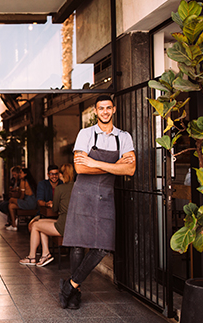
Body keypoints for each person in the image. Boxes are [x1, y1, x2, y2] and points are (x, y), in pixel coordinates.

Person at [60, 95, 136, 310]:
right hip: (83, 193)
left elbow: (130, 169)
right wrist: (114, 165)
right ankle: (76, 294)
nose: (105, 112)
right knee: (77, 245)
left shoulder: (124, 137)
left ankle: (71, 285)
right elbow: (80, 168)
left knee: (102, 247)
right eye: (101, 108)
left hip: (105, 196)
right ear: (95, 111)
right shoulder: (86, 134)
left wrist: (95, 162)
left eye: (108, 108)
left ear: (114, 110)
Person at [19, 163, 75, 267]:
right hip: (73, 223)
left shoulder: (61, 188)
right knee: (40, 223)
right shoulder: (77, 187)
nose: (56, 176)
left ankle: (32, 257)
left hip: (63, 224)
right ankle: (45, 254)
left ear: (62, 174)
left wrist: (53, 204)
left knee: (36, 225)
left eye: (58, 173)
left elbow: (55, 208)